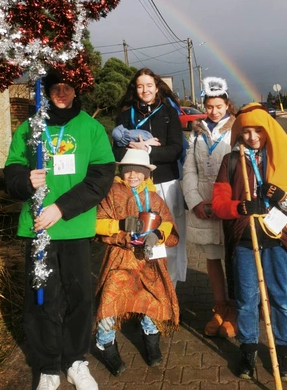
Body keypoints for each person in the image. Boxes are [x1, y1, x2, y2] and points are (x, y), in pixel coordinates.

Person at [3, 71, 116, 390]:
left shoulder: (91, 128)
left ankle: (76, 360)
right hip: (38, 229)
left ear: (76, 90)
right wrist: (26, 178)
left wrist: (62, 208)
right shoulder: (29, 128)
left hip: (75, 227)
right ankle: (48, 368)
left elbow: (101, 178)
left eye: (67, 88)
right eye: (56, 89)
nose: (62, 94)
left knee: (80, 296)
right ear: (47, 92)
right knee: (43, 301)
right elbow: (11, 171)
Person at [212, 102, 287, 381]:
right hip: (244, 239)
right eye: (246, 131)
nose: (252, 136)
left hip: (276, 240)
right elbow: (218, 204)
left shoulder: (280, 158)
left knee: (280, 298)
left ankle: (284, 349)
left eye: (258, 130)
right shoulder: (231, 161)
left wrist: (280, 196)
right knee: (246, 298)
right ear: (239, 133)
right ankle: (249, 348)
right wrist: (240, 208)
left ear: (268, 131)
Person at [94, 148, 180, 373]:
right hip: (120, 257)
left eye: (137, 172)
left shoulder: (153, 197)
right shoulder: (111, 193)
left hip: (149, 259)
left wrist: (157, 235)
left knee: (153, 296)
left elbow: (167, 222)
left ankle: (150, 338)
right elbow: (97, 222)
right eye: (127, 171)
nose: (132, 176)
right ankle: (105, 342)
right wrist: (120, 227)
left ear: (146, 174)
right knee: (109, 301)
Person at [112, 68, 186, 288]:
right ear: (135, 89)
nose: (145, 90)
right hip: (135, 185)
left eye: (149, 85)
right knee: (137, 237)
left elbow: (175, 150)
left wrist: (145, 150)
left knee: (168, 235)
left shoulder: (168, 113)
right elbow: (116, 153)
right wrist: (133, 148)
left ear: (156, 87)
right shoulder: (126, 114)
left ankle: (169, 288)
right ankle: (141, 290)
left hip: (165, 184)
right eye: (140, 86)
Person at [181, 76, 238, 338]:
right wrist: (194, 202)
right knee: (213, 259)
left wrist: (229, 203)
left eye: (219, 106)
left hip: (230, 202)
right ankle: (219, 307)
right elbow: (189, 170)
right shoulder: (197, 132)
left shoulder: (237, 130)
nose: (214, 111)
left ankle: (236, 311)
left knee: (236, 259)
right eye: (210, 106)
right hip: (204, 202)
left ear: (227, 104)